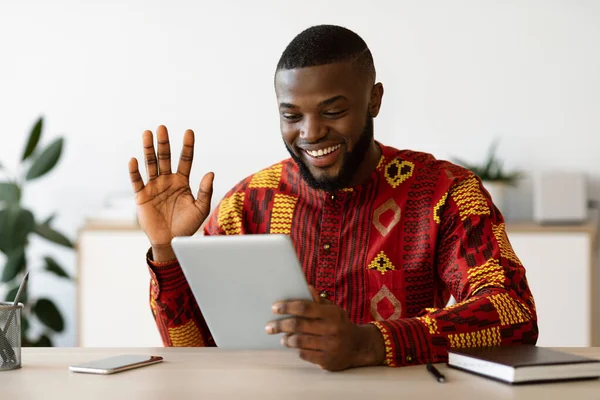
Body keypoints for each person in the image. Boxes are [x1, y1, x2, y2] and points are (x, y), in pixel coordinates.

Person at [128, 24, 538, 372]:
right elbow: (191, 352)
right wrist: (165, 251)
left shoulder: (444, 191)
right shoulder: (249, 202)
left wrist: (369, 343)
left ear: (374, 100)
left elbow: (514, 314)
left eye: (332, 111)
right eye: (292, 116)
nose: (310, 132)